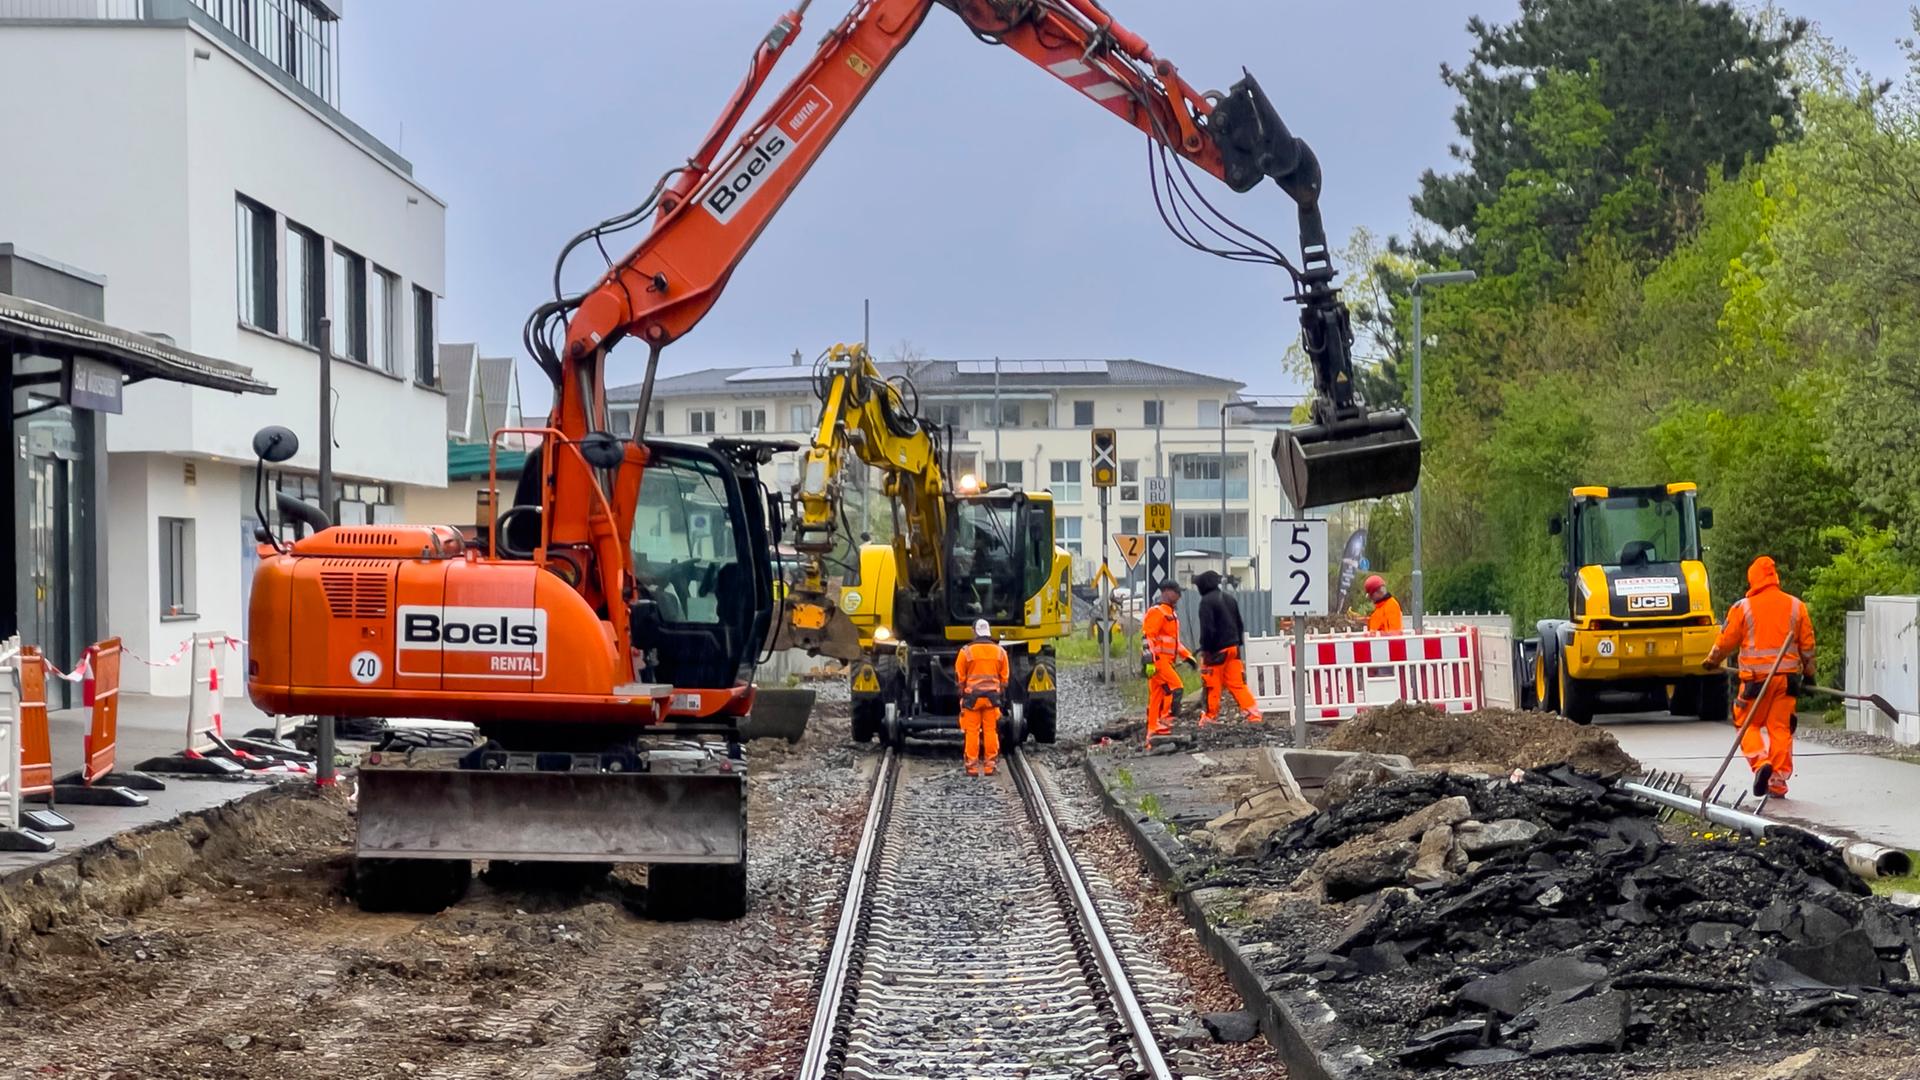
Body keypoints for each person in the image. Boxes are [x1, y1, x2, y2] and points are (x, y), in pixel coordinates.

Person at [1705, 555, 1815, 799]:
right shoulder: (1796, 606)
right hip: (1786, 681)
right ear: (1775, 578)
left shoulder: (1743, 607)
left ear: (1753, 579)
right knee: (1781, 728)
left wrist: (1712, 661)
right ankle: (1777, 780)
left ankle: (1760, 762)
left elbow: (1725, 641)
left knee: (1747, 724)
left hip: (1755, 681)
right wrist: (1810, 674)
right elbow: (1807, 646)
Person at [1194, 570, 1262, 725]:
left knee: (1212, 684)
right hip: (1233, 649)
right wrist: (1238, 645)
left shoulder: (1206, 602)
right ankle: (1254, 715)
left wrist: (1206, 649)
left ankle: (1210, 717)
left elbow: (1207, 629)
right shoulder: (1229, 599)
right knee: (1238, 685)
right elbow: (1239, 624)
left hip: (1217, 651)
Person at [1141, 581, 1196, 746]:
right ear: (1165, 592)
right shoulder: (1157, 612)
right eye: (1176, 592)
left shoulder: (1171, 614)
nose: (1179, 595)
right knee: (1176, 687)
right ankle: (1166, 721)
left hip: (1165, 662)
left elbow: (1174, 642)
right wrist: (1149, 660)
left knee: (1156, 697)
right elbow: (1147, 637)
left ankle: (1152, 732)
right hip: (1158, 661)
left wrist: (1187, 656)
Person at [954, 618, 1010, 777]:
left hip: (972, 699)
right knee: (990, 731)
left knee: (971, 731)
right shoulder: (1000, 652)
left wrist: (962, 692)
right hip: (992, 698)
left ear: (974, 632)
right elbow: (1005, 680)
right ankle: (990, 767)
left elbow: (960, 678)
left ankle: (971, 768)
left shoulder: (966, 652)